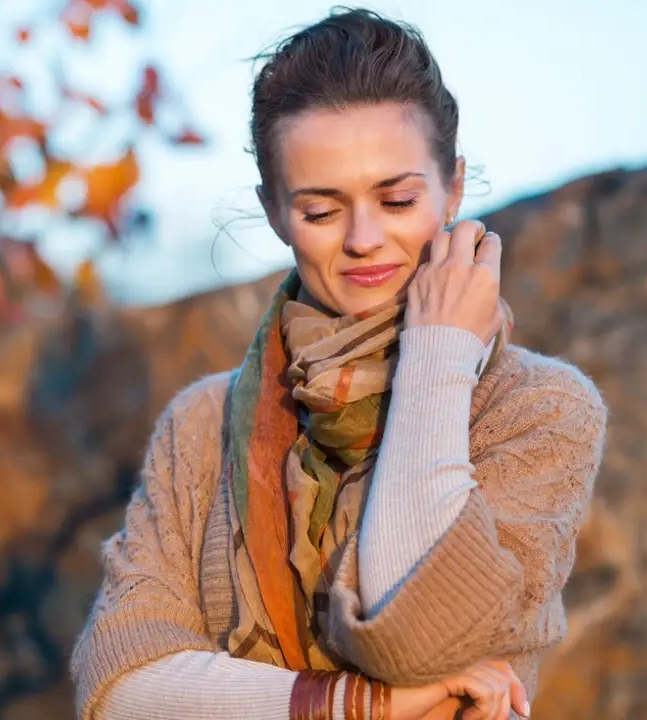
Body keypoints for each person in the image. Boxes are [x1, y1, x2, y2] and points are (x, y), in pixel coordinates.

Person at [70, 7, 607, 720]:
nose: (363, 238)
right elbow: (118, 688)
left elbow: (415, 634)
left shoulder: (537, 409)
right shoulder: (201, 426)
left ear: (452, 188)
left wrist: (436, 358)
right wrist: (353, 705)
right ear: (274, 211)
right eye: (321, 211)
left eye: (398, 199)